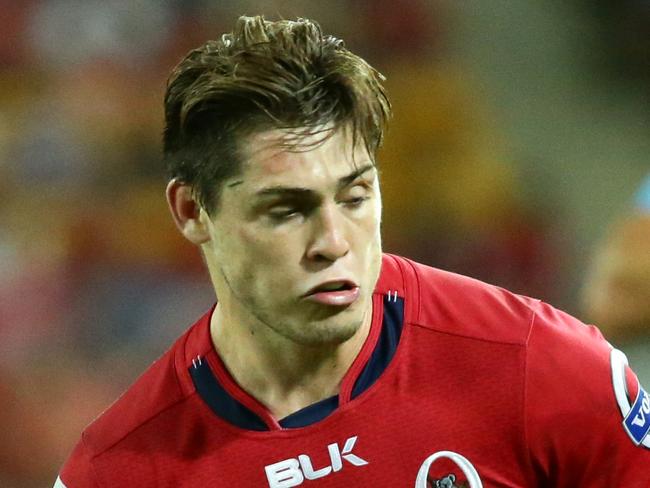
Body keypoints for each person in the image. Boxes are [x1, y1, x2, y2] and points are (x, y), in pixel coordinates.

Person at [55, 16, 650, 487]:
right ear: (192, 211)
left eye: (355, 196)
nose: (334, 243)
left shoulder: (542, 368)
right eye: (286, 210)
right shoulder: (118, 471)